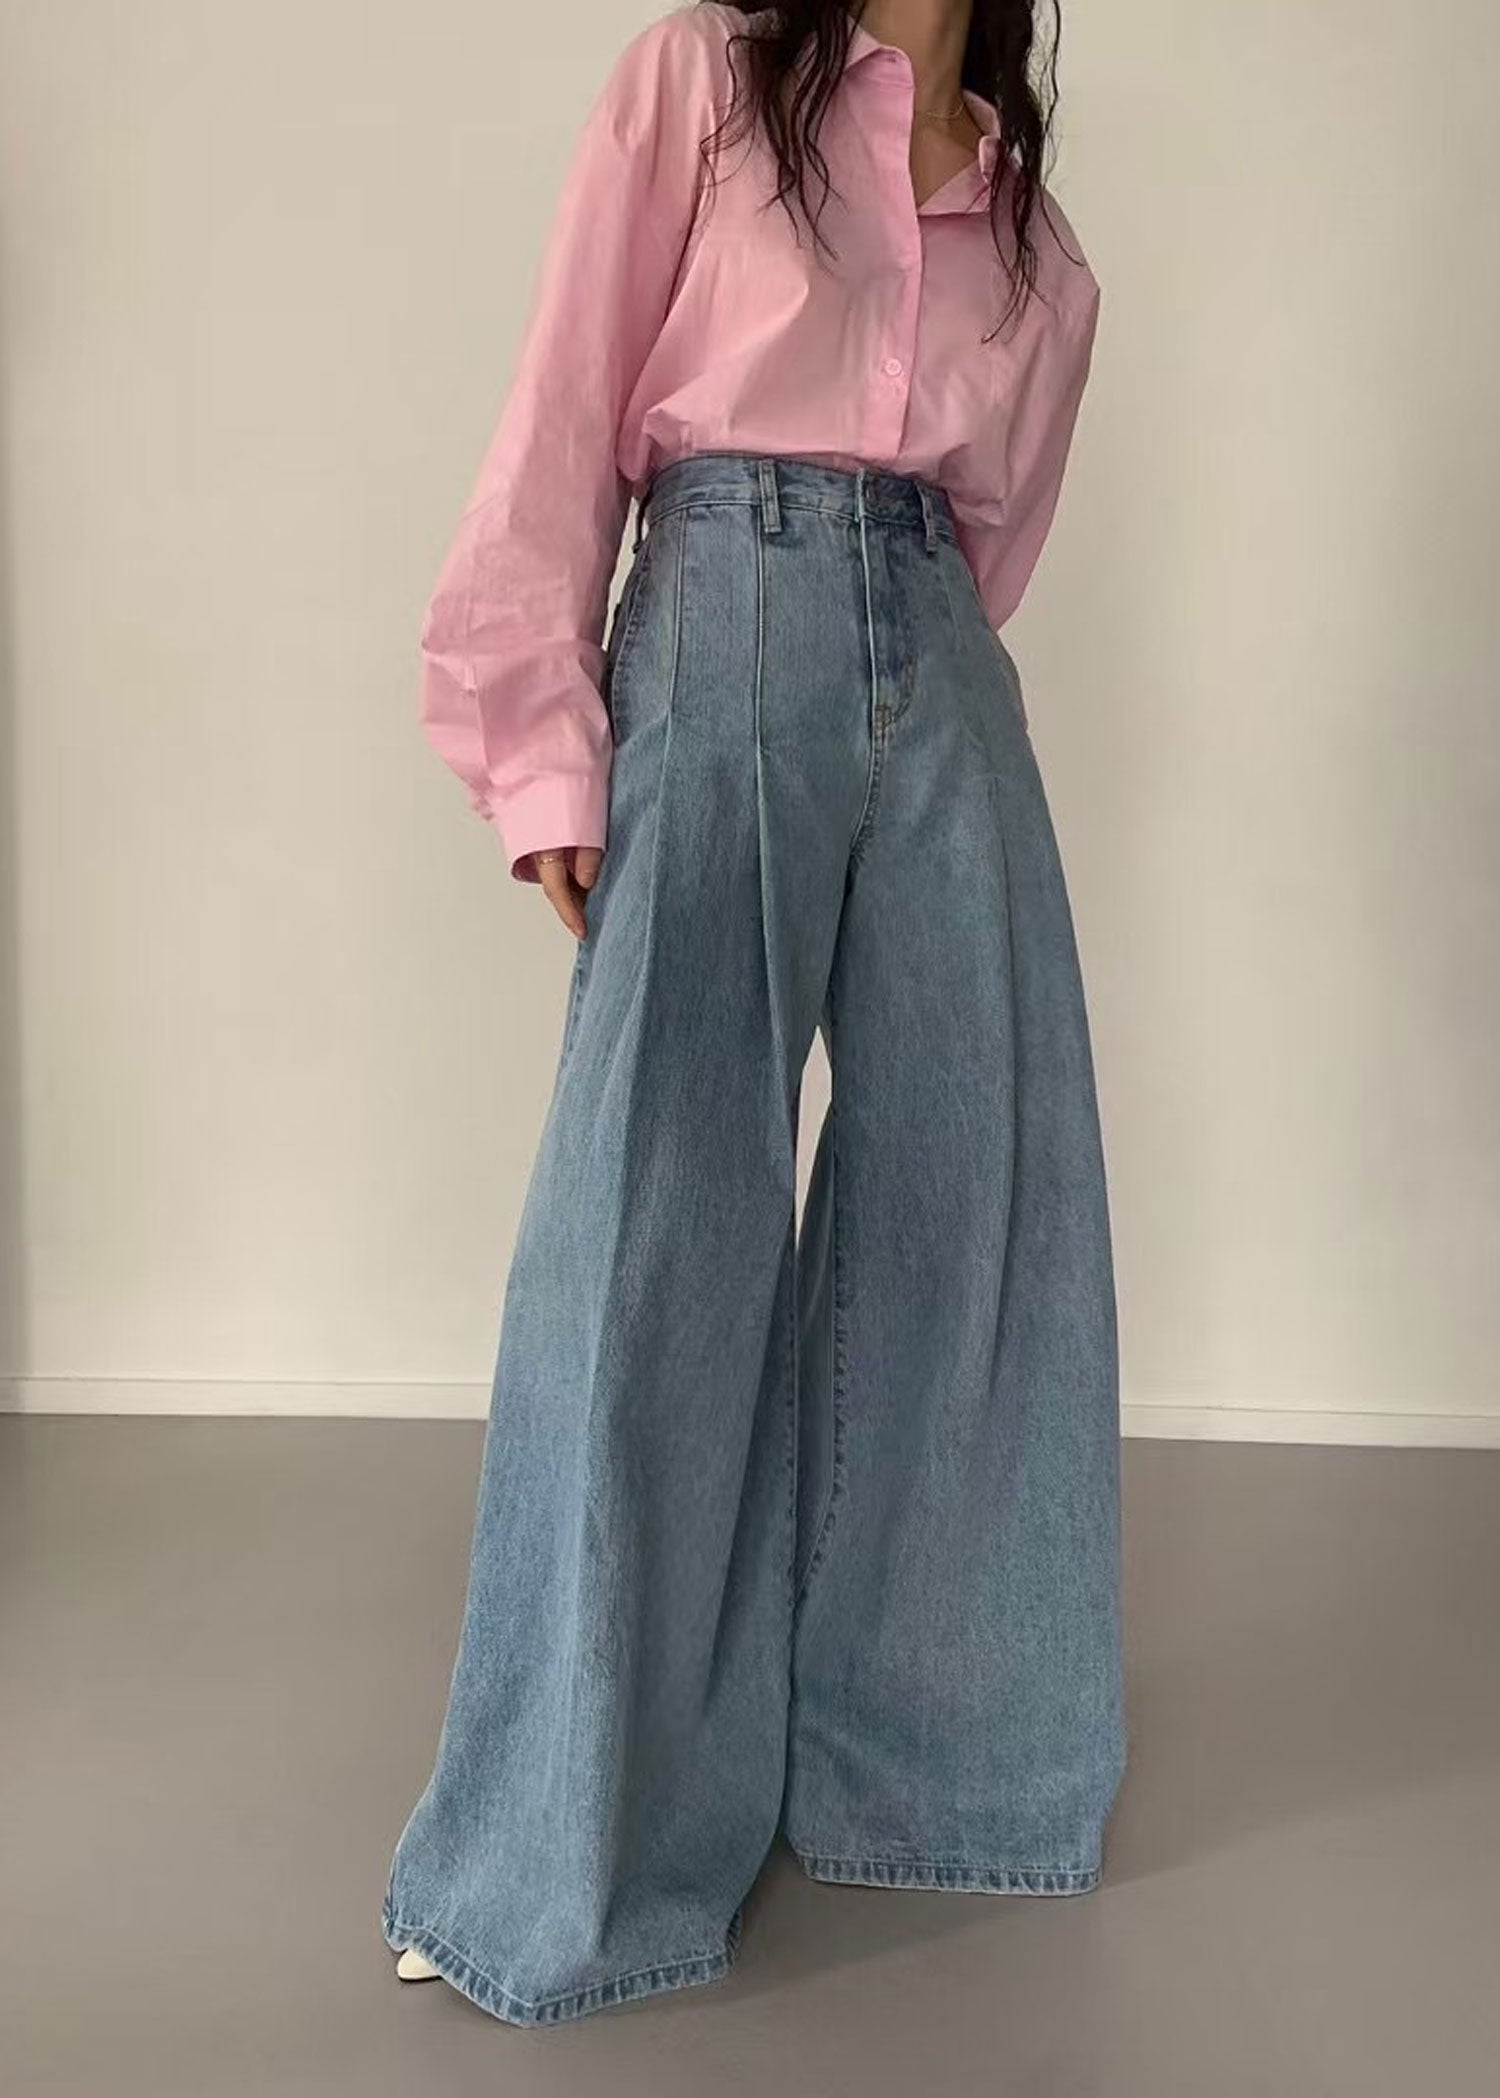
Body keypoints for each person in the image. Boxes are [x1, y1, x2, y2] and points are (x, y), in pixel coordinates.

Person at [381, 0, 1125, 2028]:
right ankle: (567, 1853)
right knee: (654, 1230)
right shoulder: (702, 84)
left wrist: (897, 666)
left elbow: (990, 545)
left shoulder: (1035, 243)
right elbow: (561, 418)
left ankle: (934, 1769)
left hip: (941, 684)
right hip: (719, 623)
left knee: (980, 1199)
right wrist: (544, 748)